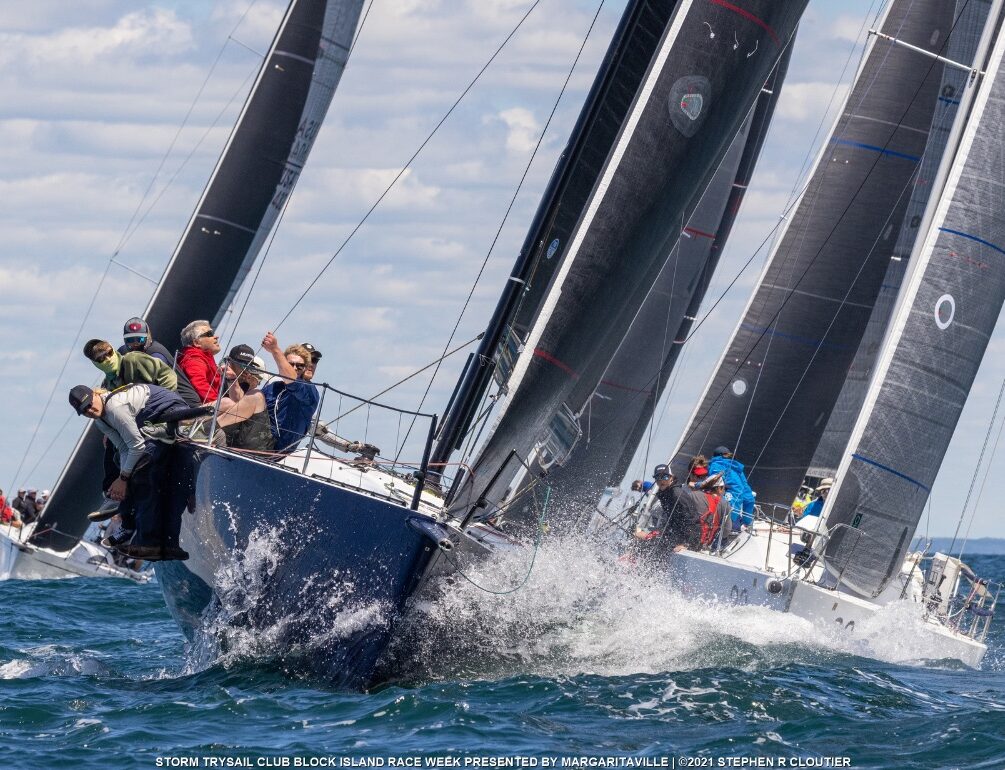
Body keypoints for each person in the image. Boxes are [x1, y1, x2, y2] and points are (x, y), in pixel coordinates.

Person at [68, 383, 193, 561]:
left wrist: (124, 479)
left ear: (95, 395)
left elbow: (137, 446)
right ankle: (127, 524)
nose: (89, 410)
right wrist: (122, 479)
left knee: (142, 474)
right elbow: (124, 448)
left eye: (89, 404)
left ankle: (142, 538)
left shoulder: (115, 409)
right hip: (150, 423)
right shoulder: (100, 421)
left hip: (171, 412)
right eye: (83, 410)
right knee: (124, 465)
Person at [119, 317, 202, 407]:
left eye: (140, 339)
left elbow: (160, 386)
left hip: (186, 403)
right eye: (130, 340)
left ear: (148, 337)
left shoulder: (156, 354)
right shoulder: (123, 352)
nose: (135, 344)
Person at [261, 333, 320, 454]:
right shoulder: (274, 385)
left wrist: (275, 350)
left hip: (274, 451)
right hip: (257, 440)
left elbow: (292, 381)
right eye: (290, 364)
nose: (312, 365)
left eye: (314, 360)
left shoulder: (310, 391)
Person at [216, 347, 275, 452]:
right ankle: (206, 428)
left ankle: (208, 428)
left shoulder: (250, 390)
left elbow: (243, 407)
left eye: (259, 379)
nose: (246, 370)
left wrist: (251, 387)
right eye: (243, 365)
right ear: (230, 362)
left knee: (256, 396)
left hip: (246, 441)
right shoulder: (221, 377)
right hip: (227, 437)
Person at [646, 463, 704, 553]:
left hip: (688, 541)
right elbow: (672, 520)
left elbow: (693, 521)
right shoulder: (666, 493)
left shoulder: (676, 495)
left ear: (671, 478)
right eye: (658, 477)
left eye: (665, 477)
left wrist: (687, 544)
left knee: (651, 548)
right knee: (644, 541)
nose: (661, 480)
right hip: (675, 535)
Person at [84, 338, 178, 392]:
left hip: (173, 414)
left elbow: (169, 376)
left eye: (109, 352)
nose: (108, 359)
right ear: (95, 364)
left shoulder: (133, 359)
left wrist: (162, 403)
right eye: (101, 358)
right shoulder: (106, 386)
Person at [177, 320, 225, 404]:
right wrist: (220, 405)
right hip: (200, 411)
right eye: (209, 334)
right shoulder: (193, 359)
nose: (216, 337)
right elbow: (199, 383)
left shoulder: (204, 358)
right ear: (196, 342)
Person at [708, 446, 756, 527]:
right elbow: (749, 498)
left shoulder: (716, 464)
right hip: (734, 515)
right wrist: (747, 522)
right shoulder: (737, 468)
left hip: (723, 513)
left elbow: (715, 484)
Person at [698, 473, 733, 550]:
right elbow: (727, 529)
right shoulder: (725, 503)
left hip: (690, 538)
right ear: (718, 489)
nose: (724, 491)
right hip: (705, 543)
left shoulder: (696, 495)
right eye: (723, 488)